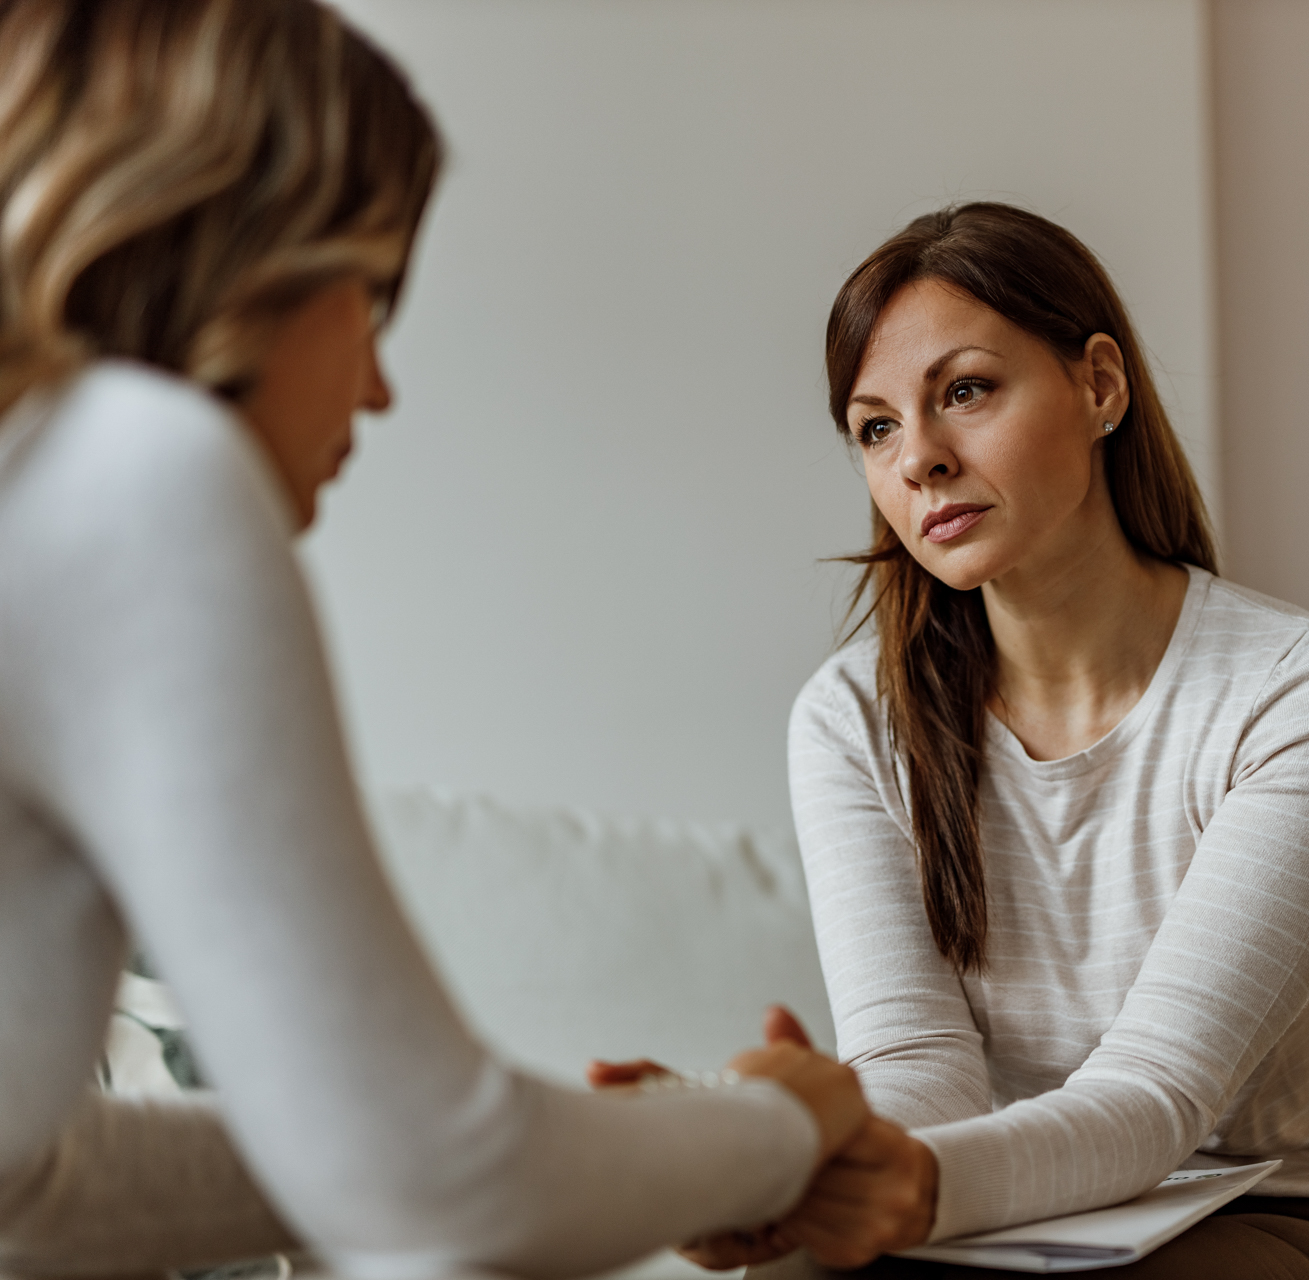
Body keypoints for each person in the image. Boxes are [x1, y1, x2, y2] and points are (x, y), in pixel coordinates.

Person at [0, 2, 867, 1276]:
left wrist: (604, 1152)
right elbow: (444, 1182)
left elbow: (28, 1193)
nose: (378, 386)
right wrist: (792, 1119)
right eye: (370, 292)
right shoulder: (133, 470)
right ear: (253, 247)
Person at [766, 203, 1309, 1278]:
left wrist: (913, 1187)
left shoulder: (1298, 687)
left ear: (1100, 384)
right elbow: (917, 1067)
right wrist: (818, 1171)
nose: (919, 459)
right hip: (994, 1216)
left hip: (1274, 1216)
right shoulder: (851, 718)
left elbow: (1158, 1095)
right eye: (876, 427)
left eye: (965, 390)